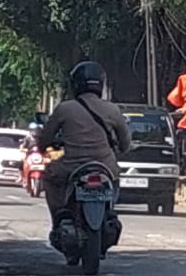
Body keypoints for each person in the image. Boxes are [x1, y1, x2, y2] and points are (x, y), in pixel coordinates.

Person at [36, 61, 133, 245]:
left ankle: (59, 217)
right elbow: (126, 143)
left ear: (75, 84)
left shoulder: (65, 108)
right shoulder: (112, 109)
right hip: (105, 167)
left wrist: (45, 147)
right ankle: (110, 210)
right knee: (115, 179)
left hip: (71, 166)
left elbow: (45, 137)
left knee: (48, 176)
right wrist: (119, 150)